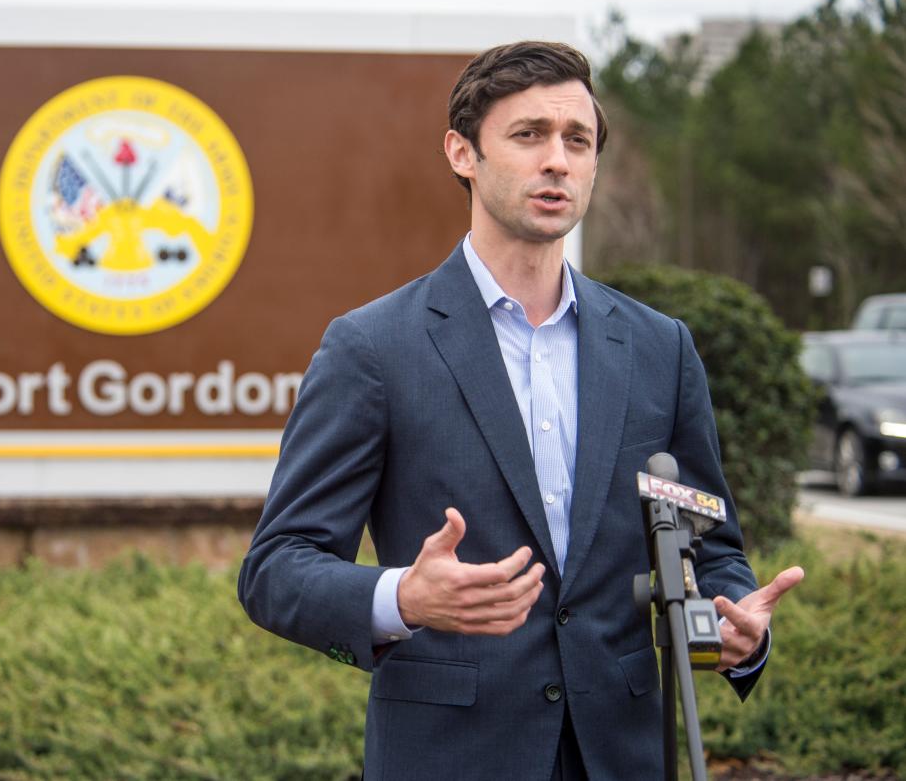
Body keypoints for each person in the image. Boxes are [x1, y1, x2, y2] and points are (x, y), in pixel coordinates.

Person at [237, 41, 804, 780]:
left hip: (623, 756)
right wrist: (402, 595)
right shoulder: (372, 348)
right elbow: (276, 569)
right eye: (529, 134)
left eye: (578, 140)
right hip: (451, 758)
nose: (558, 161)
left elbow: (704, 540)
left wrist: (735, 625)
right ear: (461, 153)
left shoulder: (659, 348)